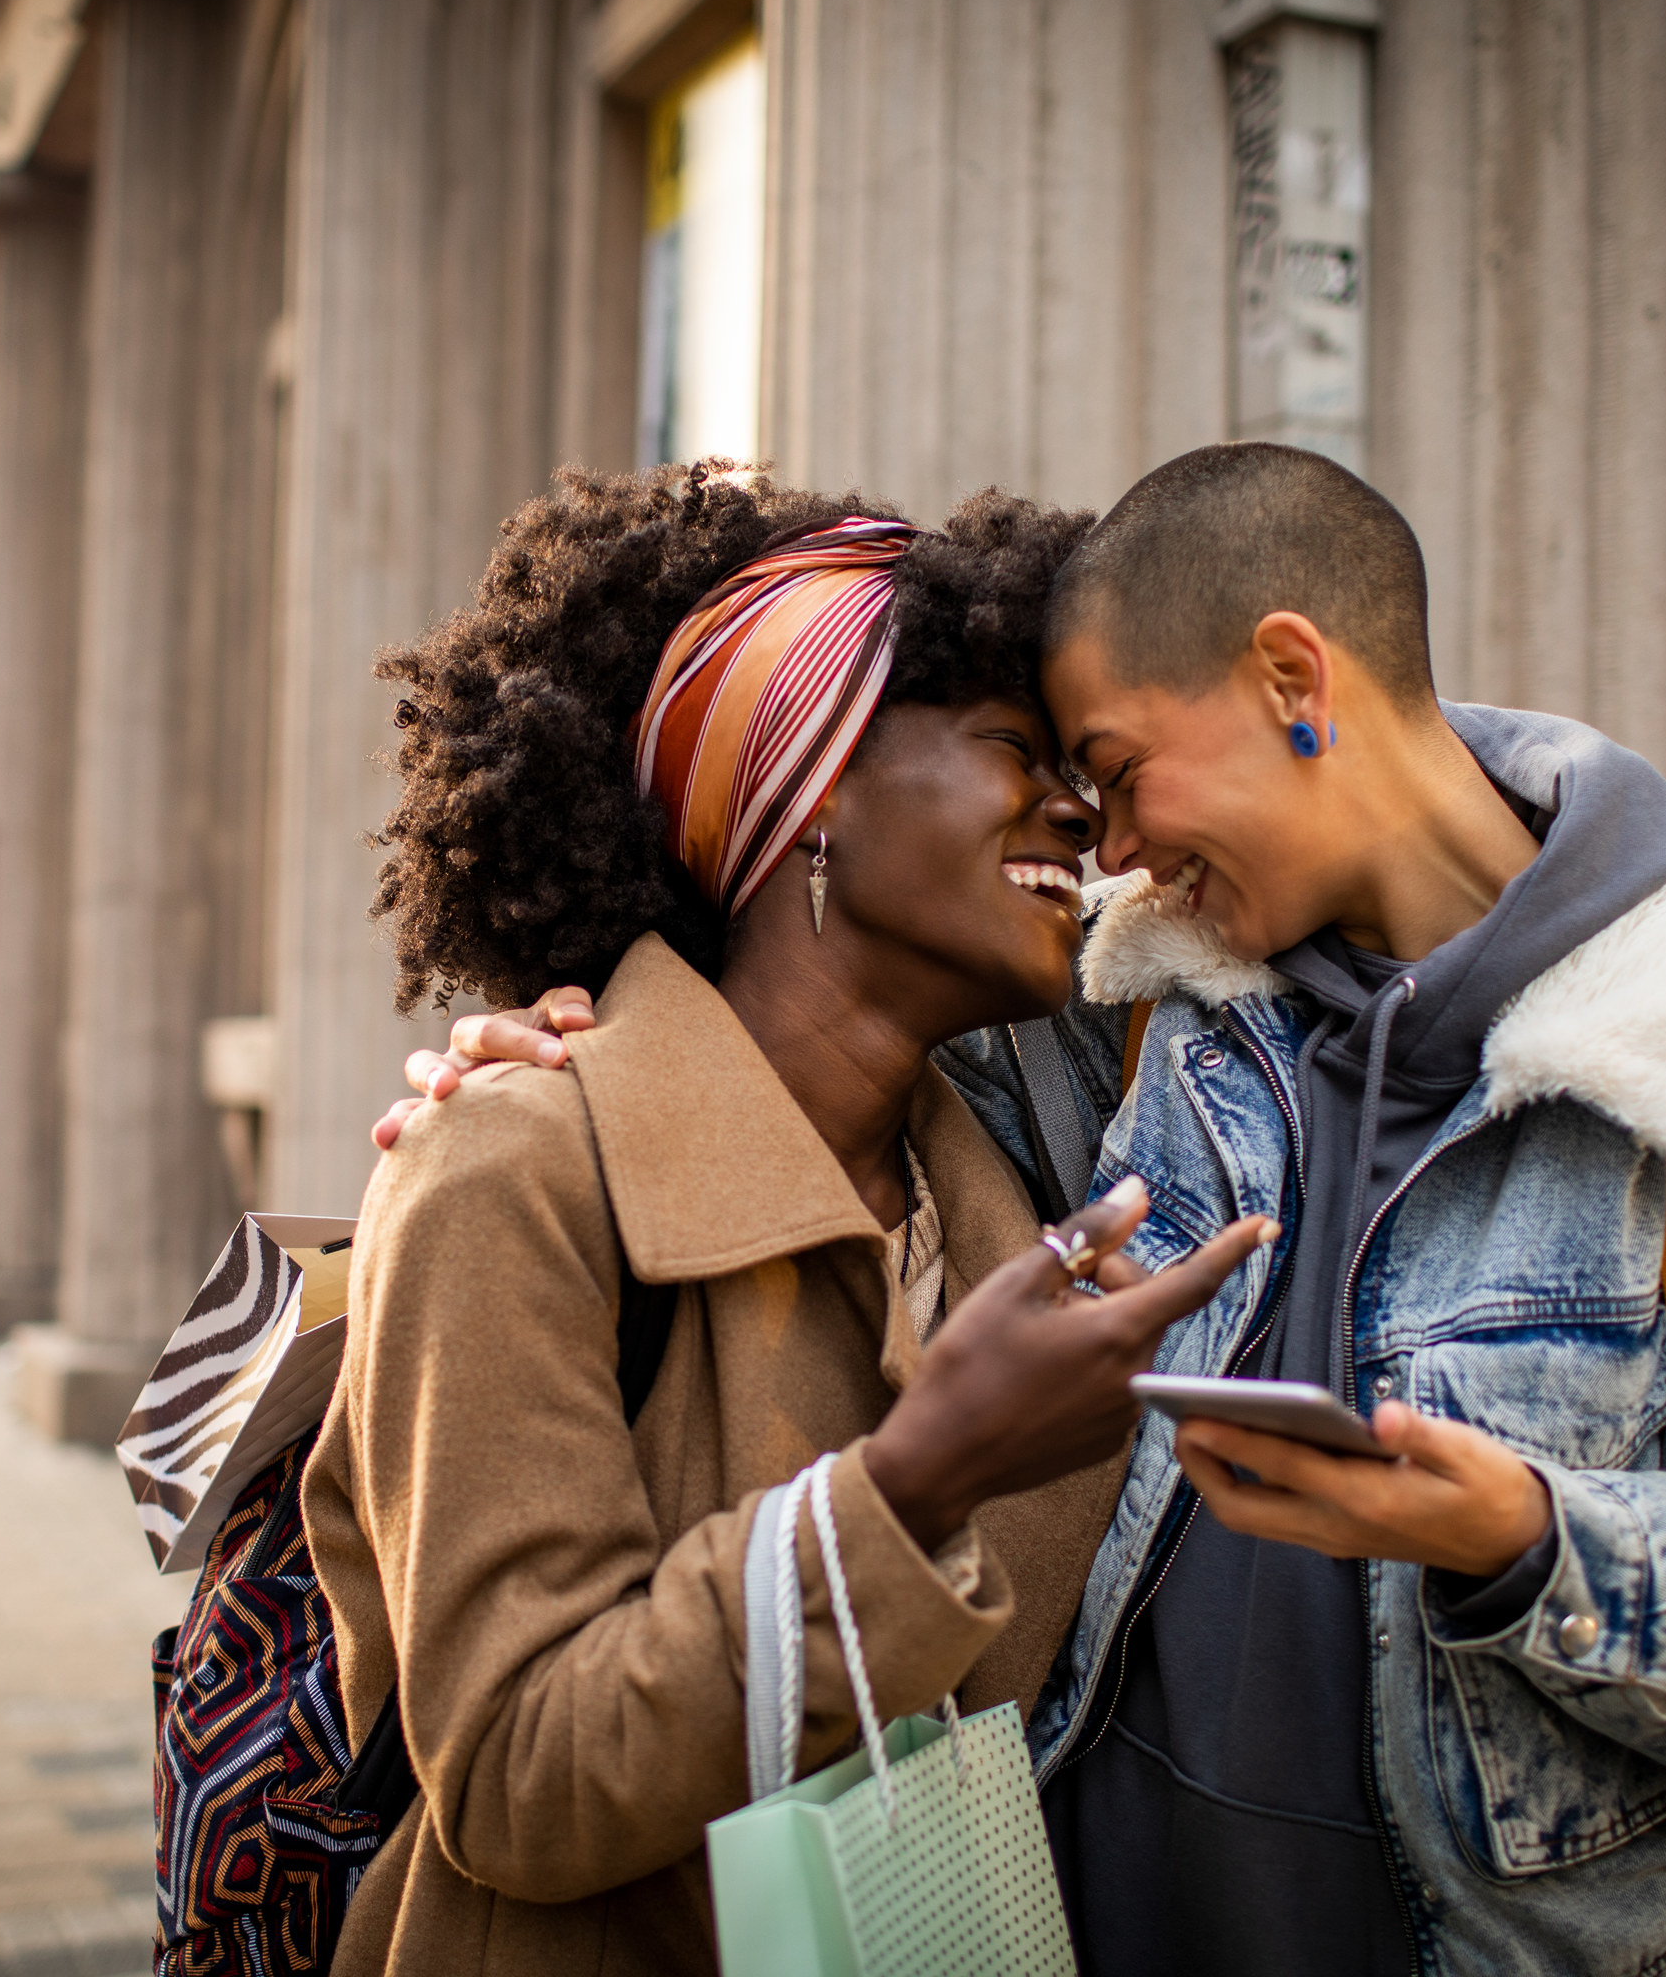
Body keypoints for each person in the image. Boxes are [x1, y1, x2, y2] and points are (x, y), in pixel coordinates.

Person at [390, 443, 1666, 1974]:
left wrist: (1527, 1542)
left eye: (1102, 768)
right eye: (1049, 766)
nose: (1103, 840)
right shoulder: (1132, 1032)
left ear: (1296, 684)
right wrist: (542, 1052)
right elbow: (767, 1057)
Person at [307, 465, 1271, 1975]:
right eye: (1016, 747)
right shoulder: (510, 1169)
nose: (1079, 811)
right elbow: (515, 1778)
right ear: (808, 780)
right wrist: (911, 1486)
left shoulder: (1028, 1195)